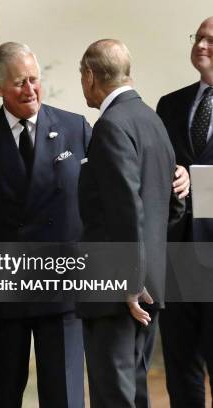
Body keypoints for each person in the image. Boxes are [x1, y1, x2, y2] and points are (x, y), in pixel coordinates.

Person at [0, 42, 91, 408]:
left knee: (64, 396)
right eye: (19, 83)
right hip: (4, 286)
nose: (30, 90)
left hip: (62, 283)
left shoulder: (75, 127)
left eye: (34, 79)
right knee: (2, 394)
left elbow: (108, 194)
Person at [77, 39, 184, 408]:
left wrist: (129, 278)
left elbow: (126, 206)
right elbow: (173, 205)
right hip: (150, 281)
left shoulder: (111, 125)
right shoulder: (153, 121)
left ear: (90, 75)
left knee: (114, 395)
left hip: (119, 289)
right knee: (135, 391)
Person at [156, 16, 213, 407]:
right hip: (176, 255)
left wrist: (197, 180)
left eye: (211, 40)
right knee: (181, 366)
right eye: (199, 37)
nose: (202, 45)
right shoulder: (170, 105)